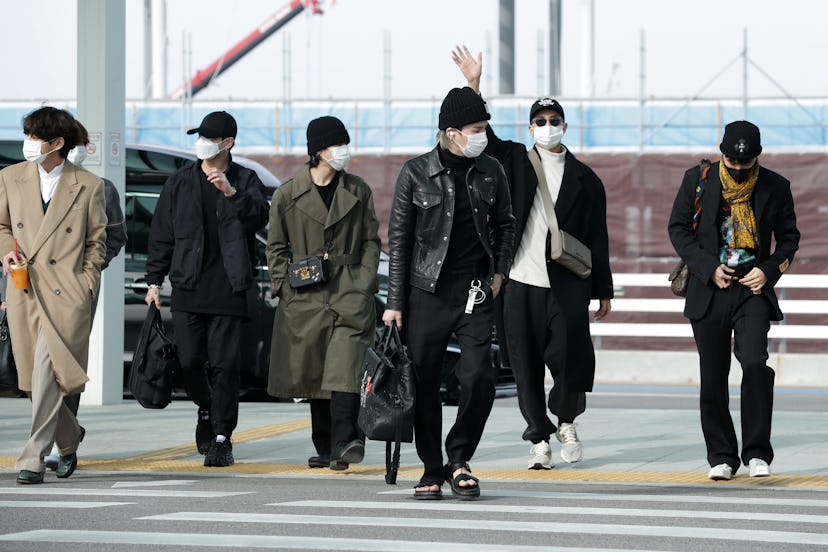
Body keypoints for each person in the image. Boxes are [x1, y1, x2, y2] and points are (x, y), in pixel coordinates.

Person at [453, 46, 613, 470]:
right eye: (540, 122)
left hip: (568, 282)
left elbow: (599, 236)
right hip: (519, 280)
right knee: (523, 365)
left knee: (569, 357)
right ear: (530, 127)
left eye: (554, 121)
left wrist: (604, 291)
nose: (547, 127)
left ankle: (566, 419)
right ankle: (539, 437)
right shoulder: (514, 163)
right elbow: (479, 133)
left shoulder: (587, 179)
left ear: (565, 125)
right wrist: (474, 84)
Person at [383, 87, 515, 499]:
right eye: (476, 130)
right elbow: (399, 241)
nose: (482, 136)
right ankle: (432, 468)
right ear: (452, 132)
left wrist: (500, 273)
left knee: (479, 376)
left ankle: (459, 457)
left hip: (476, 290)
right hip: (427, 292)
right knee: (422, 383)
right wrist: (394, 304)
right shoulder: (415, 172)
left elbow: (507, 224)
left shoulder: (491, 169)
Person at [668, 121, 800, 480]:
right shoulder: (698, 179)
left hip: (751, 290)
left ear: (758, 155)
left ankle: (757, 452)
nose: (739, 168)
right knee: (713, 375)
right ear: (722, 151)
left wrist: (770, 270)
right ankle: (722, 456)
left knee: (755, 364)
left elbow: (789, 238)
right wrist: (708, 268)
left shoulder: (776, 186)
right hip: (710, 289)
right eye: (732, 161)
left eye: (746, 162)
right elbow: (678, 228)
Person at [145, 110, 269, 467]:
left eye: (209, 138)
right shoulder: (180, 182)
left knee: (226, 365)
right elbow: (161, 235)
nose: (201, 144)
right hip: (187, 285)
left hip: (229, 288)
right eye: (199, 137)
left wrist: (230, 192)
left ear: (227, 143)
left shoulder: (246, 179)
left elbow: (260, 216)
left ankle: (221, 436)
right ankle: (206, 407)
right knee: (189, 361)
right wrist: (154, 280)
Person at [266, 116, 380, 471]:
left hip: (349, 289)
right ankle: (327, 445)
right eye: (337, 145)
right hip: (306, 293)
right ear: (318, 151)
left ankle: (347, 440)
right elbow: (276, 248)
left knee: (345, 367)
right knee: (314, 371)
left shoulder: (358, 190)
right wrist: (285, 288)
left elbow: (370, 241)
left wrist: (362, 284)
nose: (344, 152)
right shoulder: (287, 194)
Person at [0, 106, 107, 484]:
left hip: (66, 293)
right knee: (34, 378)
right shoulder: (10, 178)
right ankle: (70, 435)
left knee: (47, 371)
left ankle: (32, 457)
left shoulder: (88, 185)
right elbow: (1, 225)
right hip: (24, 289)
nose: (28, 143)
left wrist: (87, 282)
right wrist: (5, 252)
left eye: (34, 137)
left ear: (57, 143)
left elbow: (98, 242)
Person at [43, 132, 128, 471]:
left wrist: (86, 275)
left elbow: (115, 237)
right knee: (35, 368)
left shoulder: (100, 188)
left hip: (76, 290)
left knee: (66, 363)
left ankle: (59, 447)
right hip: (32, 288)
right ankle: (69, 434)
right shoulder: (30, 185)